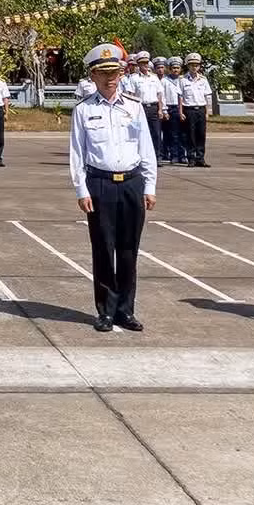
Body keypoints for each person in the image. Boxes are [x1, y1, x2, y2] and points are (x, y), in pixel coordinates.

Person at [69, 42, 157, 333]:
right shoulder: (83, 110)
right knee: (104, 249)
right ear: (92, 76)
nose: (110, 78)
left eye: (115, 72)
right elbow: (77, 154)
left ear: (121, 73)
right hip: (100, 184)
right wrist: (81, 190)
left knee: (130, 250)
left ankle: (126, 311)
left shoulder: (134, 107)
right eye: (103, 73)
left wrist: (150, 185)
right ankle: (105, 310)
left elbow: (146, 148)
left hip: (132, 182)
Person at [177, 52, 213, 167]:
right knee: (190, 135)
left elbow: (207, 96)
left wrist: (208, 112)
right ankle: (191, 158)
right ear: (188, 66)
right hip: (189, 110)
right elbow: (180, 97)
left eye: (196, 65)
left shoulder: (203, 79)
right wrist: (181, 112)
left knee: (201, 134)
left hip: (201, 110)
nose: (194, 67)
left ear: (199, 66)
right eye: (192, 65)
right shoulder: (182, 80)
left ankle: (200, 158)